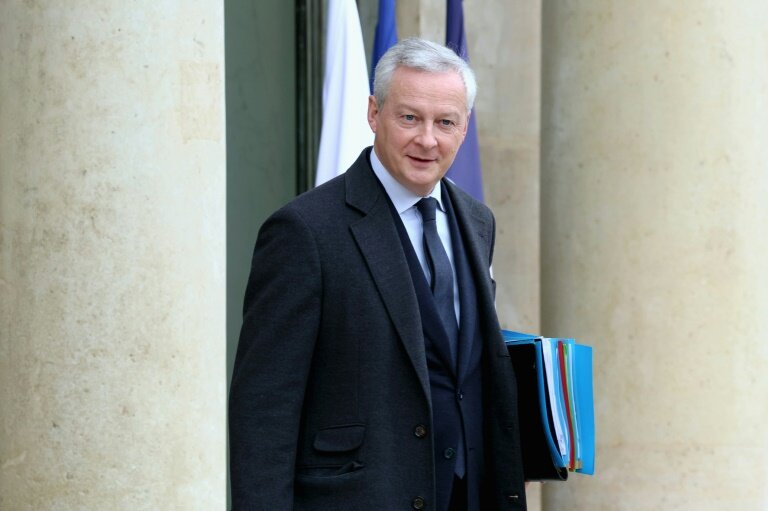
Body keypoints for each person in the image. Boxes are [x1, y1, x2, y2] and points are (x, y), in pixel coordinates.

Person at [229, 38, 527, 511]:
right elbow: (264, 408)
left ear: (464, 127)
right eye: (409, 117)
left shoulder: (477, 221)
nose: (427, 139)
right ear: (374, 113)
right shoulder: (304, 231)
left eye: (445, 122)